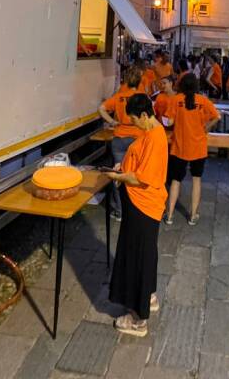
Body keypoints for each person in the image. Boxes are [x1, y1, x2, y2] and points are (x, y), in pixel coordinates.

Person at [104, 93, 168, 337]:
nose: (133, 124)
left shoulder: (154, 137)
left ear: (144, 115)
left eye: (134, 119)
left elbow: (141, 178)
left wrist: (117, 176)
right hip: (144, 205)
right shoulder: (154, 132)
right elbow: (140, 163)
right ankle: (148, 295)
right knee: (146, 253)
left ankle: (138, 319)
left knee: (137, 257)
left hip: (143, 205)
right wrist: (125, 166)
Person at [165, 74, 220, 225]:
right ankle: (193, 215)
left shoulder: (176, 100)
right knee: (196, 179)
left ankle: (169, 215)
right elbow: (217, 116)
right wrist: (206, 128)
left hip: (179, 146)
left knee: (176, 180)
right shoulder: (203, 101)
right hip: (198, 147)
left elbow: (169, 122)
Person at [99, 68, 144, 219]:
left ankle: (119, 210)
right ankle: (134, 207)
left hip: (118, 139)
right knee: (134, 175)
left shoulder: (119, 97)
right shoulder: (142, 98)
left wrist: (112, 121)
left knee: (118, 173)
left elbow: (101, 108)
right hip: (137, 139)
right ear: (139, 82)